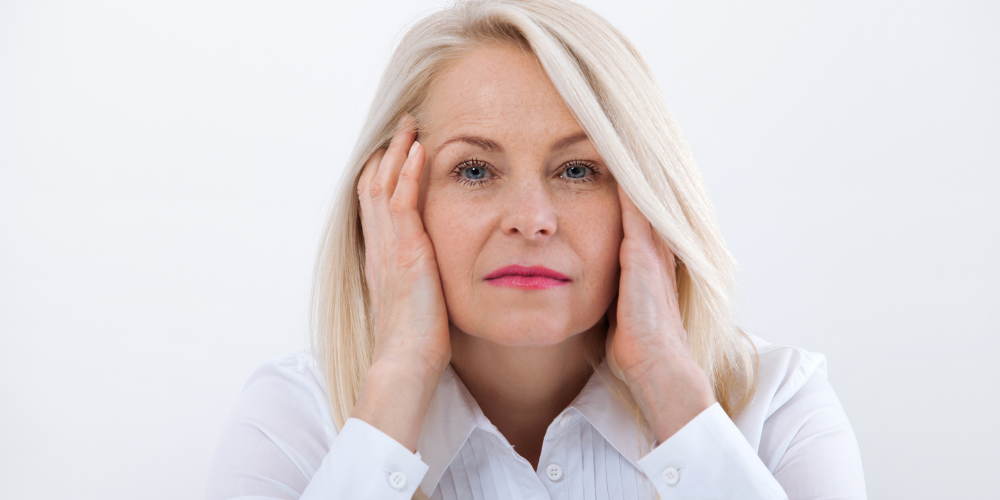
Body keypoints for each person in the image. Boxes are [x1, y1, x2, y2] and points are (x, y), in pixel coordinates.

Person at [206, 0, 866, 498]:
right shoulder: (296, 416)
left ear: (646, 196)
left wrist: (668, 375)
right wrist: (400, 374)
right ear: (394, 199)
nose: (532, 220)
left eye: (577, 171)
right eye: (474, 171)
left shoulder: (778, 404)